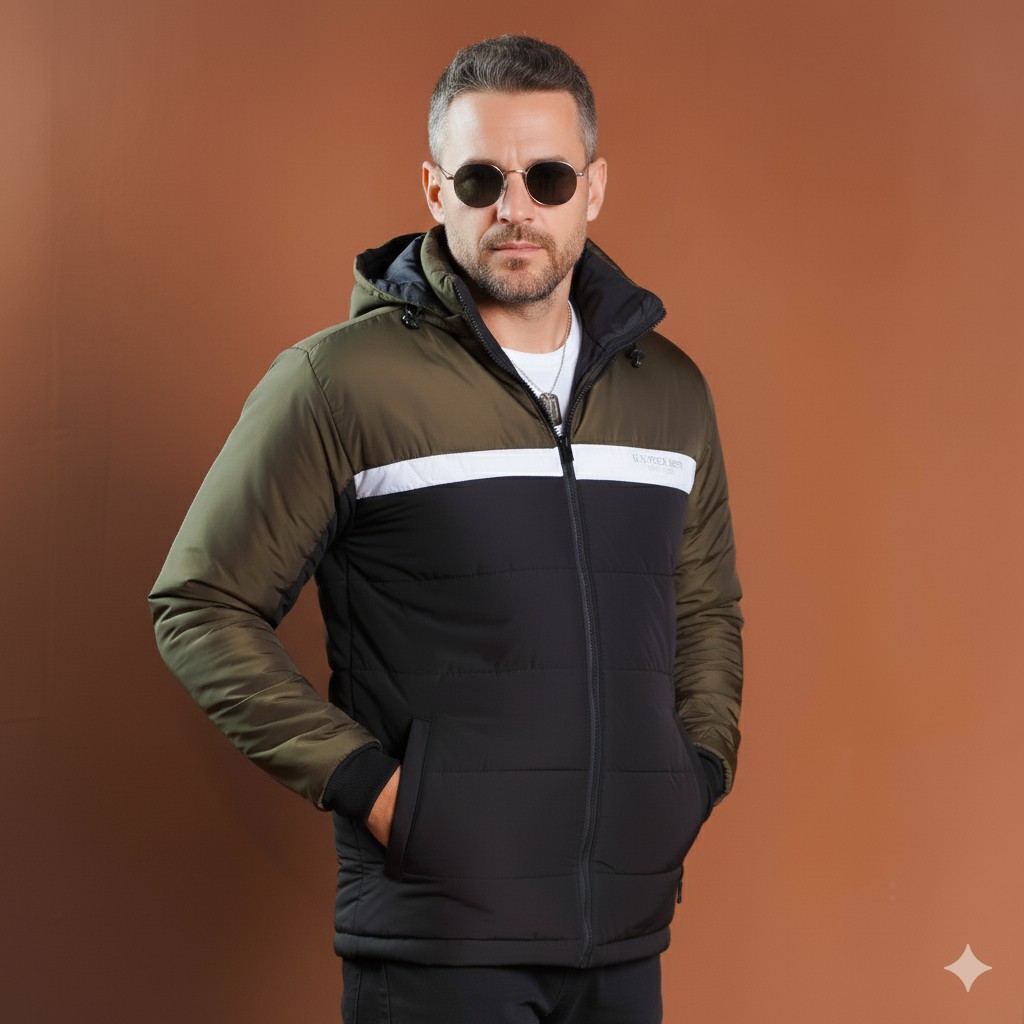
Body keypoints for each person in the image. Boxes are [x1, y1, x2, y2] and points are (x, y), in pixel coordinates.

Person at [149, 34, 743, 1024]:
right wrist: (385, 795)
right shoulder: (339, 383)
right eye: (480, 179)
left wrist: (693, 774)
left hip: (622, 937)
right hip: (439, 943)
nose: (515, 207)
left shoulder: (670, 392)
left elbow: (706, 606)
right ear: (435, 191)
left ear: (593, 188)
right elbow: (199, 605)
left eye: (547, 177)